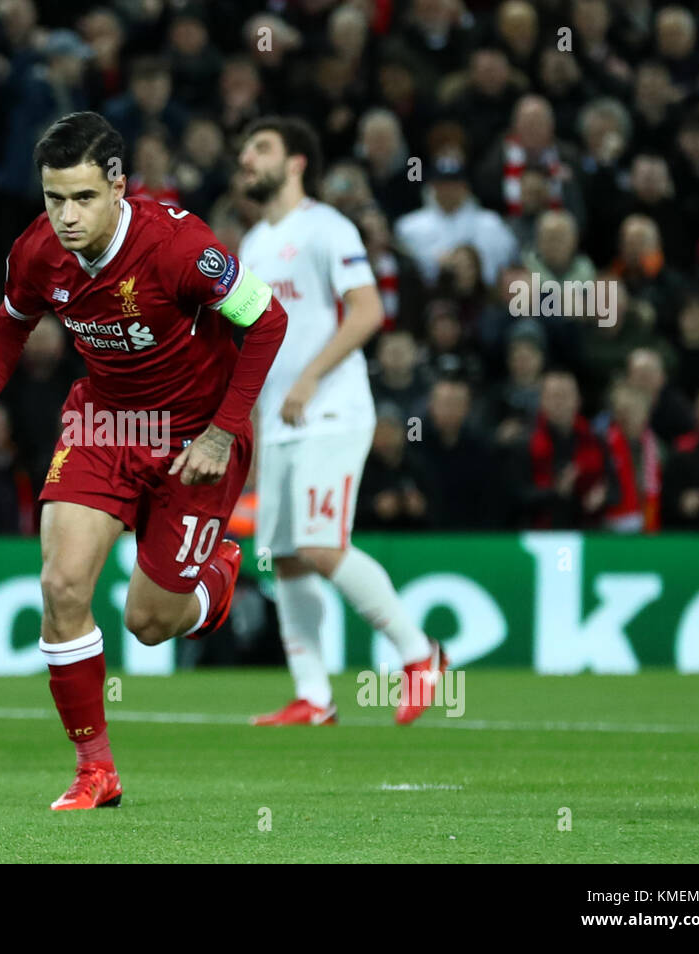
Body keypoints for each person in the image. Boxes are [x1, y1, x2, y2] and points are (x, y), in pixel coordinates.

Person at [0, 111, 287, 810]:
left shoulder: (180, 247)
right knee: (63, 587)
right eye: (53, 198)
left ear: (119, 185)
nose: (66, 216)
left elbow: (268, 319)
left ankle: (218, 579)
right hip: (102, 423)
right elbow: (9, 323)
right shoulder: (38, 251)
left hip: (194, 437)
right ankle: (95, 770)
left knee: (148, 624)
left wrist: (222, 432)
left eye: (84, 198)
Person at [235, 116, 449, 729]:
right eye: (245, 149)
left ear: (297, 161)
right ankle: (315, 697)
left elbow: (367, 311)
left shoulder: (328, 228)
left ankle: (419, 655)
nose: (247, 158)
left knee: (322, 545)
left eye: (261, 148)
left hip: (330, 411)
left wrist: (308, 378)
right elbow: (255, 340)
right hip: (278, 423)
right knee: (287, 558)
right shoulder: (252, 245)